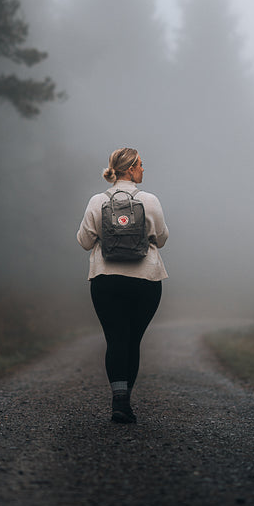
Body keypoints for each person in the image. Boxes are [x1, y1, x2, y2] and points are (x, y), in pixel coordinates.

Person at [76, 147, 169, 423]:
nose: (143, 168)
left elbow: (83, 241)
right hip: (146, 281)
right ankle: (126, 400)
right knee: (133, 340)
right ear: (129, 169)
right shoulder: (150, 200)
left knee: (115, 339)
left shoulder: (97, 201)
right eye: (140, 164)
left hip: (106, 281)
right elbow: (162, 239)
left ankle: (118, 401)